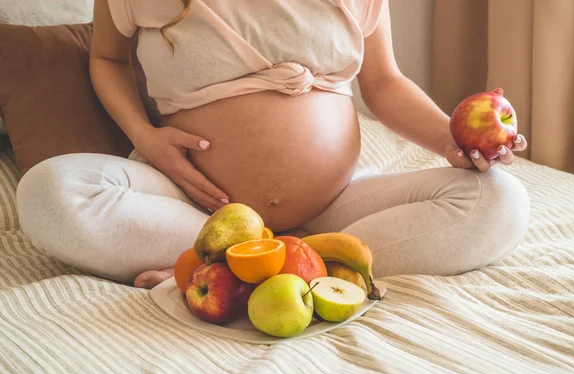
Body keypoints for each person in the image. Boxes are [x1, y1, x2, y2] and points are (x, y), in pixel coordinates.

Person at [16, 0, 530, 289]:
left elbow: (384, 84)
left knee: (500, 199)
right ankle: (263, 263)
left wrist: (454, 139)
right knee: (48, 192)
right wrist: (146, 138)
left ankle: (259, 266)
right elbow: (108, 60)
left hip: (332, 206)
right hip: (192, 200)